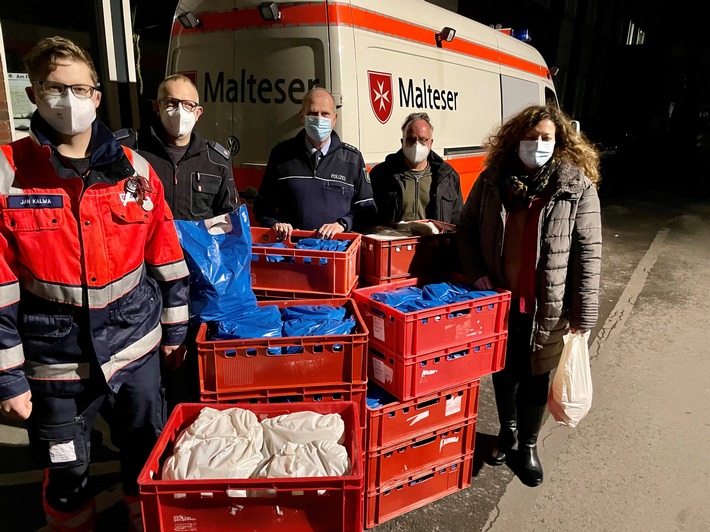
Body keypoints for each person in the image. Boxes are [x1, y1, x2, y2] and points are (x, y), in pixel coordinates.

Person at [0, 36, 190, 531]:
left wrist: (174, 336)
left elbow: (167, 260)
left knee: (146, 458)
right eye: (54, 88)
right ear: (34, 95)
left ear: (97, 97)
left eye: (79, 88)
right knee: (67, 473)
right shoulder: (9, 174)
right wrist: (9, 377)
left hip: (136, 353)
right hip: (56, 367)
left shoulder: (136, 171)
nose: (68, 100)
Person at [457, 104, 602, 487]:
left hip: (548, 305)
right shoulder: (492, 181)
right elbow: (467, 229)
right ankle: (508, 432)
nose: (537, 144)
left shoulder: (575, 186)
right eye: (531, 137)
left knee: (537, 374)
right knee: (504, 371)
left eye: (545, 138)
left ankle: (529, 446)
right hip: (499, 300)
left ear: (559, 141)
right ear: (515, 140)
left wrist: (583, 315)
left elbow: (589, 252)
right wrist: (478, 274)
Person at [254, 87, 376, 239]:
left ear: (334, 118)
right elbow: (262, 208)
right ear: (302, 116)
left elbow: (368, 212)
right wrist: (275, 224)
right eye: (312, 113)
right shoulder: (281, 154)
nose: (319, 119)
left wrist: (342, 224)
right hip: (292, 252)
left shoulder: (352, 159)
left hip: (335, 253)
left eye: (325, 114)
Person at [115, 73, 238, 221]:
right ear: (157, 106)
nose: (180, 110)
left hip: (195, 244)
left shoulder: (216, 161)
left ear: (198, 112)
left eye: (188, 105)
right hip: (146, 243)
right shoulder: (128, 149)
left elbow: (231, 218)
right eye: (171, 102)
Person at [369, 112, 463, 225]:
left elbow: (457, 219)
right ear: (402, 142)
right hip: (397, 242)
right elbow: (370, 218)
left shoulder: (448, 177)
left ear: (431, 142)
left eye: (422, 140)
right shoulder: (381, 175)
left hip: (435, 242)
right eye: (410, 139)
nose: (416, 145)